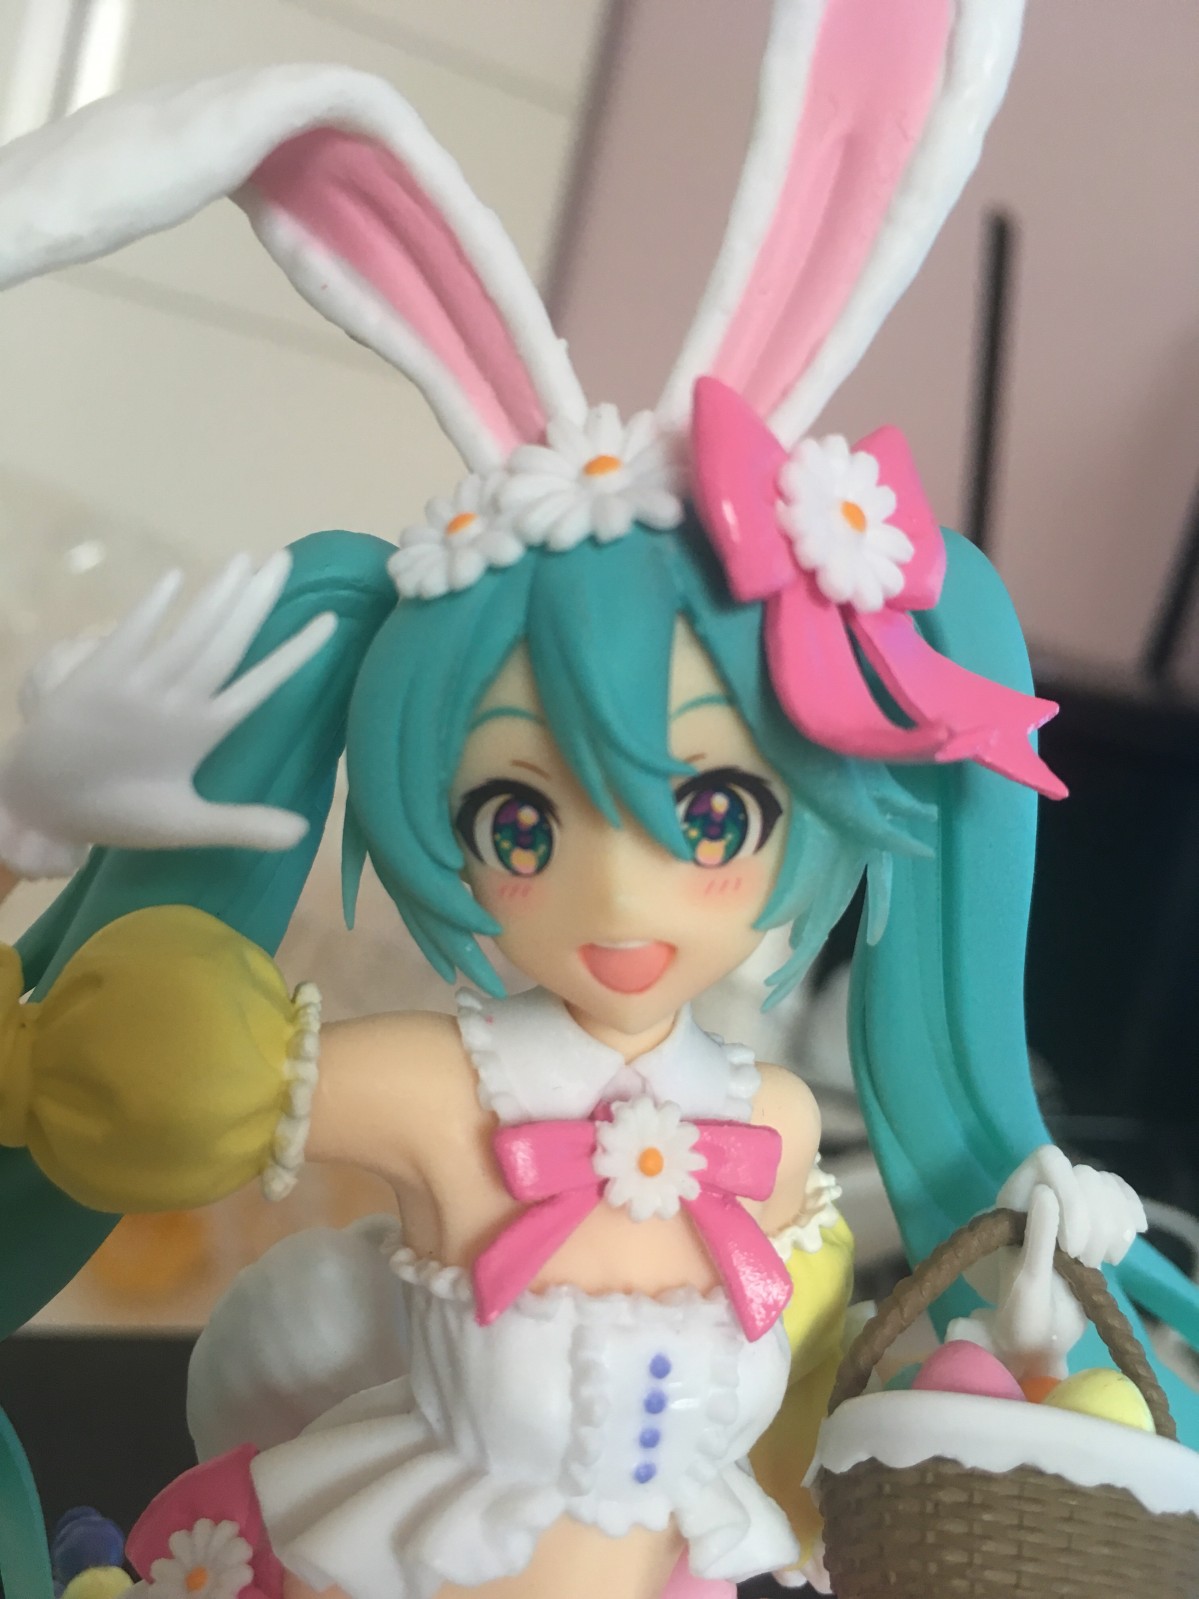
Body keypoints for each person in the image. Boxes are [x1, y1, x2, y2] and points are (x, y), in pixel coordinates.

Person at [0, 5, 1193, 1596]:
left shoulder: (774, 1128)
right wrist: (28, 846)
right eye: (522, 825)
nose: (622, 898)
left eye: (713, 817)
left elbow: (849, 1362)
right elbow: (134, 1082)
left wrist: (1030, 1293)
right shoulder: (441, 1087)